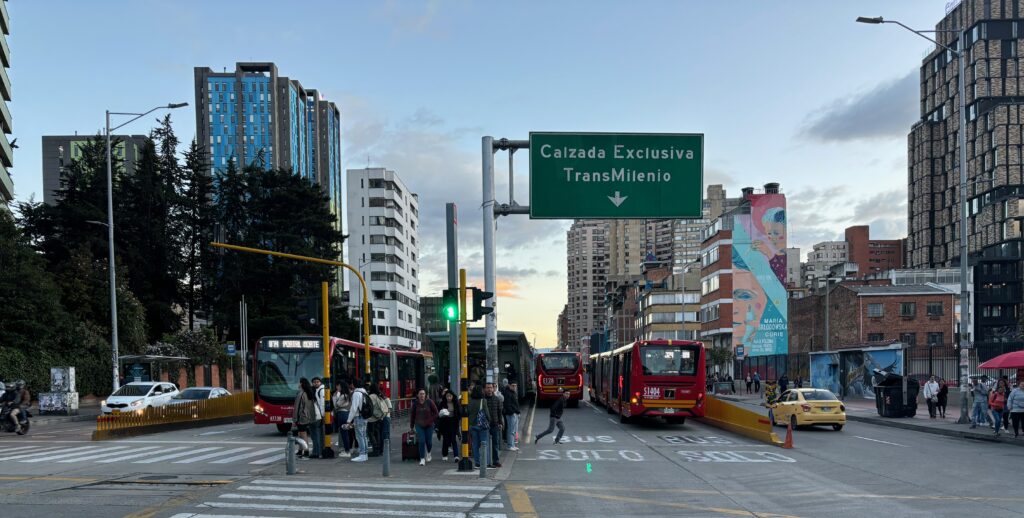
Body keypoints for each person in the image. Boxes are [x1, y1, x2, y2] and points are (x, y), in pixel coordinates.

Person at [410, 388, 439, 466]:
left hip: (429, 425)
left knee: (429, 442)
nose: (422, 395)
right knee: (422, 441)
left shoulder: (429, 402)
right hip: (419, 425)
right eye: (420, 394)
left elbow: (436, 413)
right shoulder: (415, 404)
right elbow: (412, 415)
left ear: (425, 395)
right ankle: (422, 459)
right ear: (418, 395)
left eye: (423, 394)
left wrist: (431, 420)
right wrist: (411, 426)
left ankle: (429, 453)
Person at [468, 384, 493, 469]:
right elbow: (486, 413)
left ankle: (477, 463)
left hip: (472, 425)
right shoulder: (483, 401)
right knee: (484, 443)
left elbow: (467, 412)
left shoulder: (469, 400)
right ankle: (485, 462)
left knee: (475, 444)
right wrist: (489, 420)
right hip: (482, 425)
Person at [345, 379, 369, 462]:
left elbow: (354, 408)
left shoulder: (356, 394)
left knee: (359, 436)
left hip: (358, 417)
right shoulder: (364, 392)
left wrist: (349, 420)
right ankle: (365, 454)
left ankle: (362, 454)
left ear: (354, 385)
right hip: (365, 417)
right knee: (364, 436)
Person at [292, 378, 317, 459]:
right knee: (300, 433)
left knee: (303, 434)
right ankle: (300, 450)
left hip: (301, 417)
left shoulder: (301, 394)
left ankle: (306, 451)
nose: (298, 384)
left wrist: (294, 419)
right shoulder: (308, 393)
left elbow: (297, 407)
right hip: (307, 416)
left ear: (302, 384)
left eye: (299, 383)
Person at [367, 383, 392, 458]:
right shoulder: (379, 396)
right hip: (380, 417)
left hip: (373, 418)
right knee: (379, 434)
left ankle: (377, 450)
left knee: (373, 434)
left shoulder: (371, 397)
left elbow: (371, 408)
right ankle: (381, 450)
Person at [437, 389, 462, 461]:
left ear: (452, 396)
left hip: (453, 423)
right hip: (445, 423)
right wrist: (443, 413)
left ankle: (456, 456)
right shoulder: (442, 403)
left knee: (453, 439)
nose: (449, 398)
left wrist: (456, 417)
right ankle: (444, 454)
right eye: (447, 396)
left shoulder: (456, 403)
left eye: (450, 396)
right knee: (445, 439)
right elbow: (438, 414)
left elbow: (459, 413)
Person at [485, 382, 504, 468]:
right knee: (485, 444)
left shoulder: (497, 399)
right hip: (485, 425)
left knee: (495, 443)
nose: (489, 389)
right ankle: (486, 461)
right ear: (485, 389)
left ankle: (496, 460)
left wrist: (500, 423)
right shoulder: (483, 399)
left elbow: (500, 412)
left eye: (491, 387)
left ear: (493, 389)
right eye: (487, 388)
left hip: (495, 424)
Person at [332, 382, 353, 457]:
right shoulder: (348, 395)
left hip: (342, 414)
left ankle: (347, 451)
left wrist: (335, 396)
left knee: (344, 433)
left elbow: (336, 405)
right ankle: (347, 449)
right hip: (347, 414)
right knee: (346, 433)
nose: (338, 387)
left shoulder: (343, 396)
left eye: (339, 386)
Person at [309, 377, 326, 459]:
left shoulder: (321, 390)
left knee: (316, 434)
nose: (316, 383)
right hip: (319, 415)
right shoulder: (317, 390)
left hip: (318, 415)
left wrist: (323, 415)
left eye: (317, 382)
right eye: (314, 382)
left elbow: (322, 404)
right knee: (319, 434)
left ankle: (317, 452)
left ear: (320, 382)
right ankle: (320, 451)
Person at [501, 381, 521, 451]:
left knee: (514, 430)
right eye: (513, 385)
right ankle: (510, 445)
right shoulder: (508, 393)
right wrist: (512, 412)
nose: (514, 387)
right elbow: (507, 405)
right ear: (509, 386)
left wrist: (518, 412)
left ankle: (512, 445)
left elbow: (515, 403)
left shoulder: (513, 392)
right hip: (511, 414)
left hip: (514, 413)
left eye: (515, 385)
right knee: (511, 430)